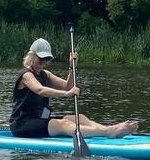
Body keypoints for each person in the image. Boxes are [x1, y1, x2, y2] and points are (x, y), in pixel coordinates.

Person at [9, 37, 139, 139]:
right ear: (31, 57)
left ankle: (108, 129)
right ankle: (109, 132)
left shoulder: (45, 74)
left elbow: (68, 86)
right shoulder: (26, 75)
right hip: (22, 124)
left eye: (46, 60)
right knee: (63, 124)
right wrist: (67, 94)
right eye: (40, 59)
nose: (43, 63)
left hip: (40, 120)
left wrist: (72, 67)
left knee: (79, 118)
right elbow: (40, 90)